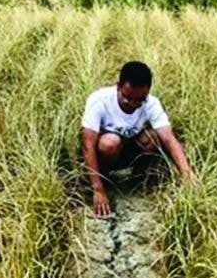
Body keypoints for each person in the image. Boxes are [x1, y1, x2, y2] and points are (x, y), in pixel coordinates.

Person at [80, 61, 195, 218]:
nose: (133, 104)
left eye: (140, 100)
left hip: (131, 150)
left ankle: (138, 180)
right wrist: (97, 189)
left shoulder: (152, 104)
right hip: (106, 154)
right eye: (128, 97)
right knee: (110, 142)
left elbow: (169, 139)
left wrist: (188, 175)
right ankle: (105, 180)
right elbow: (88, 145)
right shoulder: (99, 100)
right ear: (118, 86)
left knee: (154, 137)